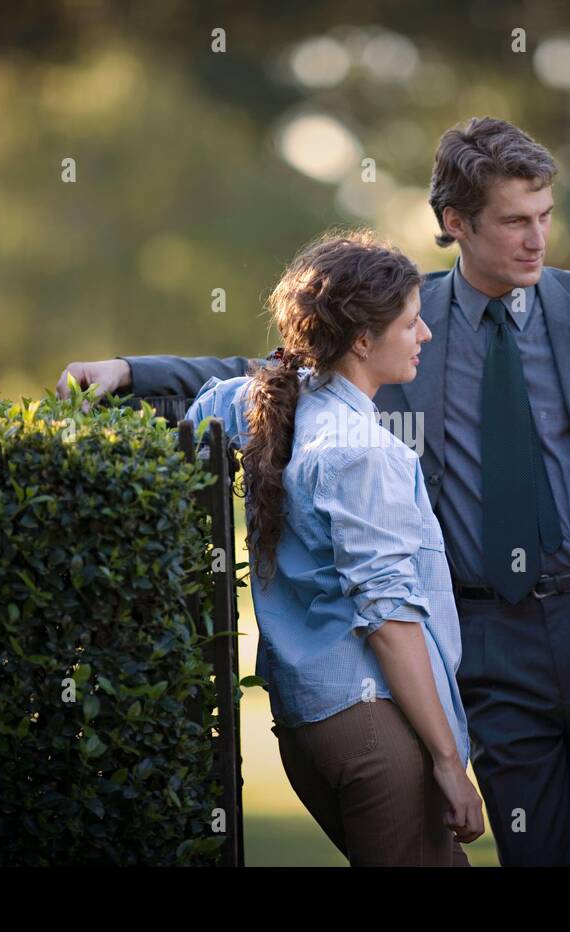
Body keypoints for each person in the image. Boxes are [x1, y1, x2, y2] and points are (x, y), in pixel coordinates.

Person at [58, 118, 570, 866]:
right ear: (456, 223)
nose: (537, 238)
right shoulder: (402, 328)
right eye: (514, 220)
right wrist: (132, 371)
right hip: (486, 635)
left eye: (544, 215)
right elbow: (277, 373)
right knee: (534, 848)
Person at [184, 229, 483, 866]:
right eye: (410, 324)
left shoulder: (276, 407)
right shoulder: (362, 450)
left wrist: (127, 373)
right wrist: (449, 763)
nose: (424, 336)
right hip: (372, 722)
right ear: (362, 339)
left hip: (307, 722)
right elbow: (390, 623)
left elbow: (209, 405)